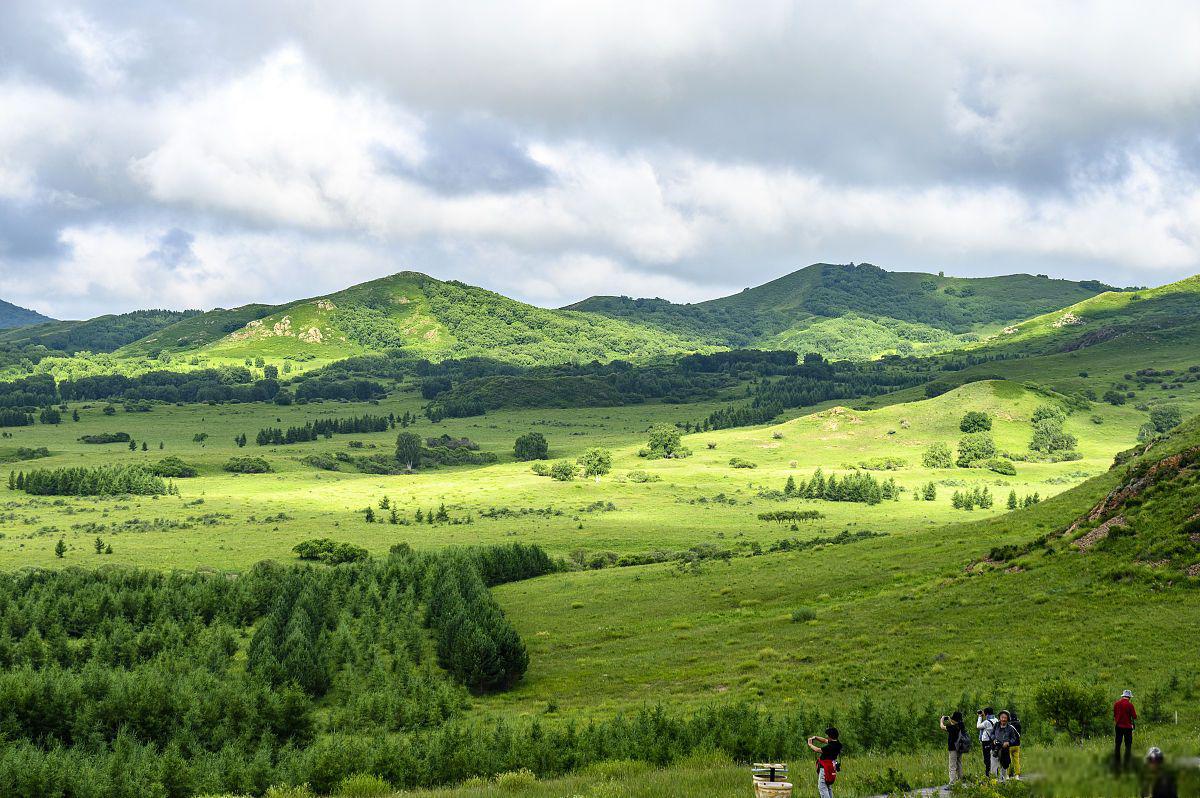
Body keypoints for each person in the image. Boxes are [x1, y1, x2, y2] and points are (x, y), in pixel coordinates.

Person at [807, 727, 842, 798]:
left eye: (828, 735)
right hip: (832, 768)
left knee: (822, 787)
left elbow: (817, 750)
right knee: (828, 786)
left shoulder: (830, 747)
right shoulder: (838, 744)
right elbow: (824, 740)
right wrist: (816, 737)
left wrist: (810, 745)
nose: (826, 737)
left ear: (830, 736)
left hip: (825, 769)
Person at [992, 711, 1020, 783]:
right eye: (1002, 717)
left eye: (1005, 718)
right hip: (995, 748)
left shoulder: (1010, 728)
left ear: (1007, 719)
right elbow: (992, 734)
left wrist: (1008, 742)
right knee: (994, 765)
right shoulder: (996, 725)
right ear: (999, 718)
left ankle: (1003, 781)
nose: (1003, 719)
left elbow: (1014, 738)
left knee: (1004, 765)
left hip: (1005, 749)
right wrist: (994, 739)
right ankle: (994, 781)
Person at [940, 711, 967, 784]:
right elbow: (954, 724)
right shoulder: (961, 725)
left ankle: (952, 783)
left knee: (952, 766)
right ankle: (961, 780)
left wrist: (942, 720)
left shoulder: (952, 727)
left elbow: (942, 727)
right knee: (959, 764)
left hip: (953, 748)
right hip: (960, 748)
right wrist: (950, 720)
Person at [1114, 689, 1137, 769]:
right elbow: (1134, 716)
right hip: (1127, 727)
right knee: (1128, 745)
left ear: (1123, 696)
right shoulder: (1130, 705)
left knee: (1117, 744)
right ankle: (1126, 762)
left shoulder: (1116, 704)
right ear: (1129, 697)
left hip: (1118, 726)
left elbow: (1114, 714)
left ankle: (1117, 762)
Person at [976, 706, 997, 777]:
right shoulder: (996, 720)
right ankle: (994, 773)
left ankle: (988, 774)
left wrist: (979, 717)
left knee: (987, 758)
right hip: (994, 741)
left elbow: (978, 726)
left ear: (986, 714)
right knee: (994, 757)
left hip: (986, 741)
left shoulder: (986, 722)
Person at [1006, 710, 1023, 780]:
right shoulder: (1018, 724)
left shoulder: (1008, 725)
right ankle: (1017, 775)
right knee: (1016, 760)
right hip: (1017, 745)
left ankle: (1007, 775)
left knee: (1007, 760)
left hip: (1009, 745)